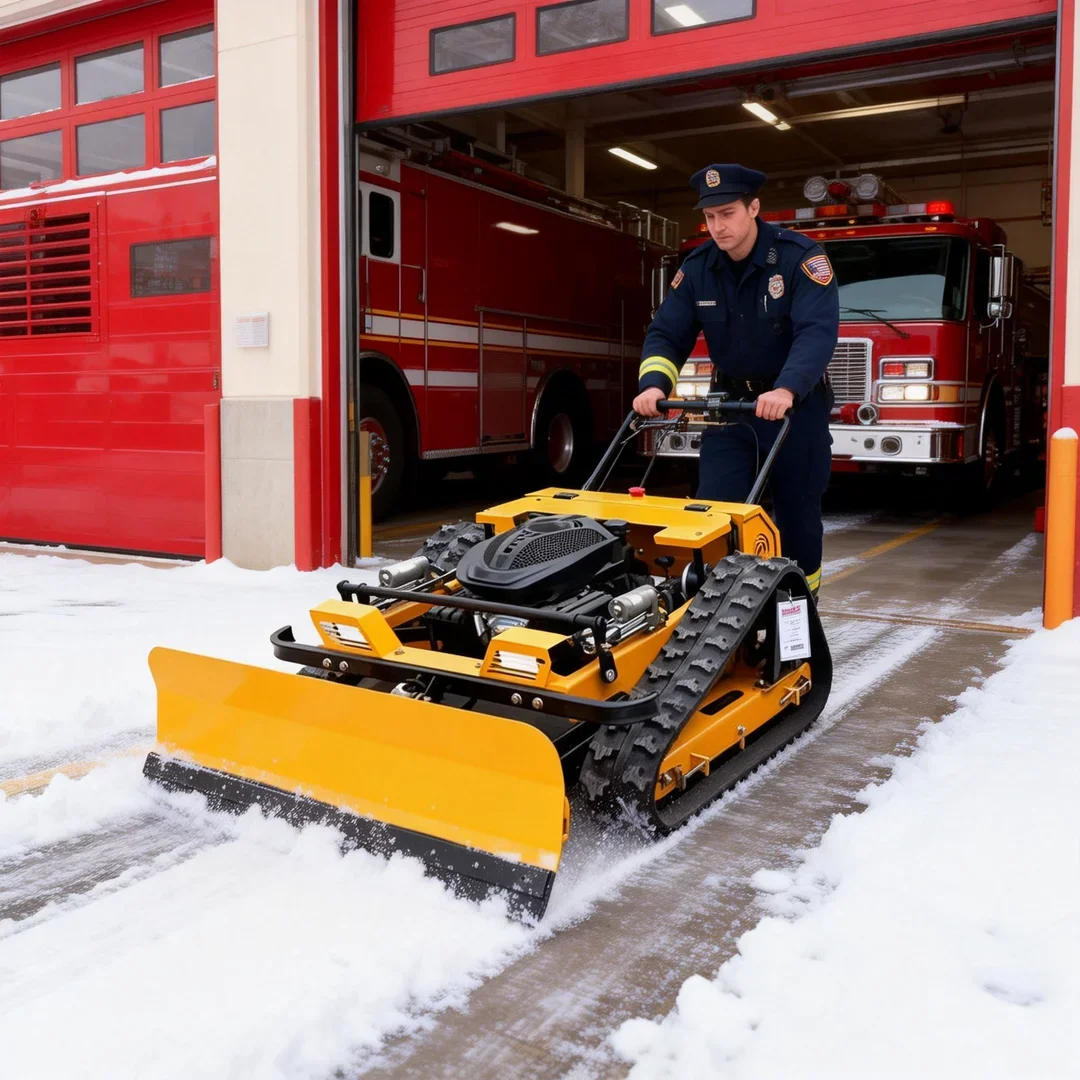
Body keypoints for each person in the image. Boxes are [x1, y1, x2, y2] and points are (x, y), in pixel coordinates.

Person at [634, 163, 839, 596]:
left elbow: (816, 332)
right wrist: (654, 385)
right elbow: (667, 333)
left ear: (754, 208)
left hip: (793, 410)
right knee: (716, 510)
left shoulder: (799, 258)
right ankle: (720, 605)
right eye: (710, 217)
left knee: (797, 516)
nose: (718, 226)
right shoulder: (698, 269)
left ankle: (801, 605)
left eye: (727, 213)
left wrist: (786, 388)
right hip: (729, 407)